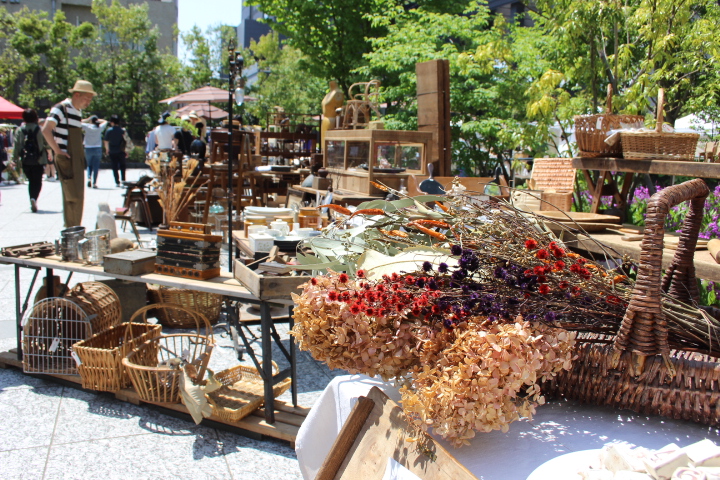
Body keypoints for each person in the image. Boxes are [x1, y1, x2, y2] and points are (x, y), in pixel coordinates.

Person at [42, 79, 96, 228]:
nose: (88, 102)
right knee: (72, 196)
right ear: (77, 95)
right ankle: (71, 229)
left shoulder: (76, 111)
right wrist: (57, 151)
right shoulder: (61, 108)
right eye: (86, 99)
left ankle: (75, 228)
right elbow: (46, 130)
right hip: (67, 157)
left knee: (78, 195)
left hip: (77, 157)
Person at [10, 109, 49, 212]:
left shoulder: (19, 130)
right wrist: (50, 153)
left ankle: (32, 198)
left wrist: (14, 159)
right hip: (39, 160)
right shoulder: (40, 129)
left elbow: (17, 146)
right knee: (37, 181)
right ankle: (34, 198)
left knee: (31, 181)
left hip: (25, 160)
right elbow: (46, 143)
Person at [81, 114, 107, 188]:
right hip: (97, 147)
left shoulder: (87, 126)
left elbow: (78, 122)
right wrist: (99, 120)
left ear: (90, 121)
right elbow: (106, 121)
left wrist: (87, 119)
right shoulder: (100, 127)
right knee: (96, 166)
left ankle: (89, 177)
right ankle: (95, 182)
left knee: (89, 165)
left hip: (88, 147)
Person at [103, 114, 127, 187]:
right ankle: (123, 180)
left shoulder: (109, 130)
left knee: (114, 166)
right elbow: (126, 141)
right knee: (122, 165)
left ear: (112, 122)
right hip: (121, 150)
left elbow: (106, 141)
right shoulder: (122, 130)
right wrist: (126, 151)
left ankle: (117, 181)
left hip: (113, 150)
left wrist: (107, 149)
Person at [321, 80, 344, 148]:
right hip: (325, 120)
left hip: (332, 120)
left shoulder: (338, 93)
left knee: (329, 142)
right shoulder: (329, 94)